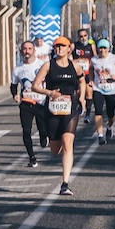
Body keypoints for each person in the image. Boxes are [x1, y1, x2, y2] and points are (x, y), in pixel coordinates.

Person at [32, 36, 88, 196]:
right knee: (55, 149)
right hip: (53, 110)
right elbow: (35, 86)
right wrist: (49, 92)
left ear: (69, 48)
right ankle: (57, 141)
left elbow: (82, 81)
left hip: (70, 109)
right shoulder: (48, 66)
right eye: (56, 46)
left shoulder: (75, 66)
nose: (59, 49)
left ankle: (65, 183)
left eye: (62, 46)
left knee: (68, 143)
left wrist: (82, 98)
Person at [10, 39, 48, 166]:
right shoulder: (17, 69)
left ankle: (44, 136)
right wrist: (15, 94)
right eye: (24, 49)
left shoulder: (42, 64)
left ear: (34, 51)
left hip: (41, 102)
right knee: (26, 130)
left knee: (43, 128)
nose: (27, 51)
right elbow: (14, 85)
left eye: (29, 49)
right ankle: (32, 157)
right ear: (21, 52)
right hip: (26, 102)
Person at [89, 39, 115, 145]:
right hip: (98, 88)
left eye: (104, 48)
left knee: (110, 114)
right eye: (100, 48)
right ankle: (100, 135)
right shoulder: (94, 59)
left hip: (112, 89)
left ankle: (109, 126)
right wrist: (91, 79)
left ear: (108, 49)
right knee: (98, 111)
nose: (102, 50)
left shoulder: (114, 58)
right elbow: (91, 69)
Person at [73, 28, 96, 121]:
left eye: (85, 36)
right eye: (81, 36)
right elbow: (68, 57)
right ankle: (81, 105)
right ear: (78, 37)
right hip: (77, 73)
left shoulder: (92, 46)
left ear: (88, 36)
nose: (83, 38)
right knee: (78, 92)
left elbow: (95, 58)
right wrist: (75, 61)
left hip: (88, 72)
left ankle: (88, 114)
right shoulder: (74, 46)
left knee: (89, 93)